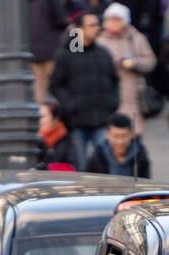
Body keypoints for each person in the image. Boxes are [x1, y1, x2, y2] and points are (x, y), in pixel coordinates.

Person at [50, 10, 119, 164]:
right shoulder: (66, 54)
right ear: (80, 29)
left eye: (97, 24)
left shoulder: (103, 53)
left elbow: (114, 81)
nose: (97, 28)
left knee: (105, 164)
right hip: (76, 123)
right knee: (79, 167)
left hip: (101, 120)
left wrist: (112, 104)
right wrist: (70, 105)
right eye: (92, 25)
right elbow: (55, 85)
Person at [96, 3, 157, 136]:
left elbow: (150, 62)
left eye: (116, 19)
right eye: (109, 19)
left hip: (130, 94)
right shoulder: (98, 39)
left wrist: (134, 63)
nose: (112, 23)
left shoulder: (136, 38)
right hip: (104, 94)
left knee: (133, 134)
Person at [85, 113, 152, 177]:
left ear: (131, 134)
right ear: (108, 135)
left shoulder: (139, 154)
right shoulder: (99, 154)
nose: (120, 141)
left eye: (124, 136)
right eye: (116, 136)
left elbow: (145, 181)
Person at [29, 0, 69, 103]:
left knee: (39, 92)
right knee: (58, 87)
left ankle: (43, 116)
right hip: (51, 51)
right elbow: (62, 20)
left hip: (31, 51)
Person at [35, 99, 74, 168]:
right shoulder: (34, 139)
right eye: (37, 117)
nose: (39, 120)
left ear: (55, 119)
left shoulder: (66, 140)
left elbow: (72, 168)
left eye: (42, 117)